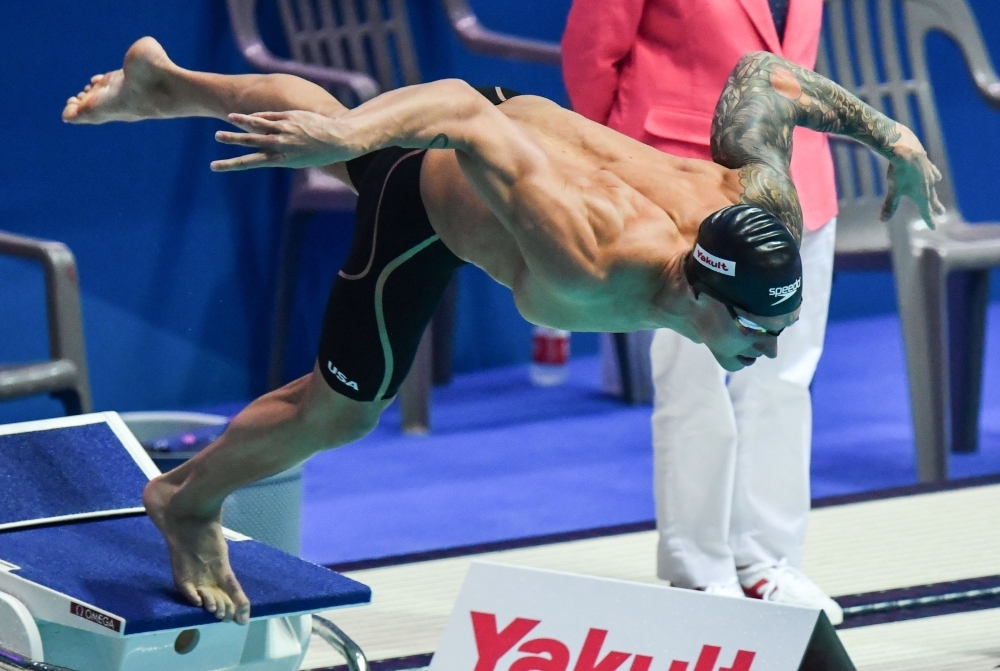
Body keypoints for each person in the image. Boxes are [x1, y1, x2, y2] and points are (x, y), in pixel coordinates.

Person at [62, 37, 942, 626]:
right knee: (341, 409)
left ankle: (167, 84)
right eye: (759, 330)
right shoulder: (587, 258)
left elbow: (763, 78)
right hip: (437, 197)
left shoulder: (759, 208)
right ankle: (185, 499)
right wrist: (344, 133)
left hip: (507, 132)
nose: (771, 347)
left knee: (355, 139)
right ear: (707, 301)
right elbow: (453, 107)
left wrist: (892, 135)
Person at [561, 0, 844, 620]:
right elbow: (591, 51)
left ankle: (768, 562)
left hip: (800, 180)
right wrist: (618, 165)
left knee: (785, 378)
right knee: (694, 383)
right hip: (679, 177)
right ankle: (701, 570)